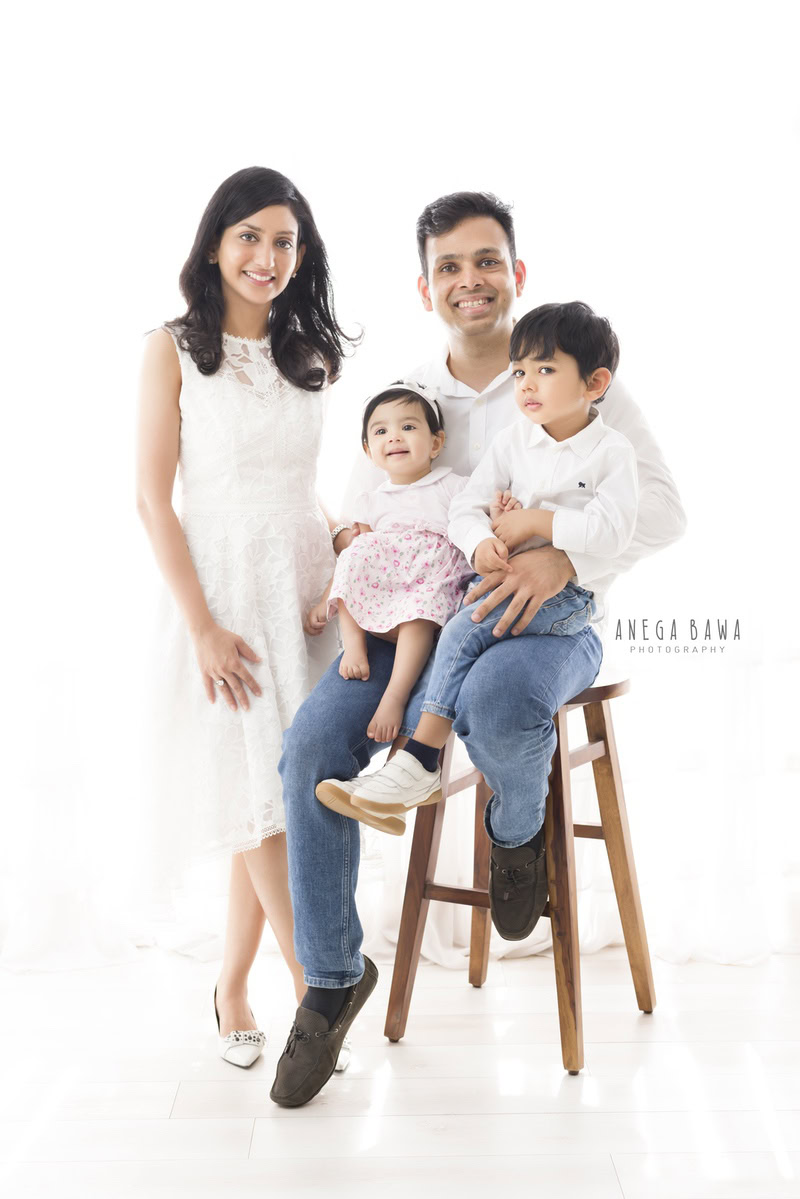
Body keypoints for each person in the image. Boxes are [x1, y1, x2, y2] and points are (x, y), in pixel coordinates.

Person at [269, 192, 686, 1108]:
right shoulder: (412, 390)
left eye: (486, 260)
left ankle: (515, 835)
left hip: (552, 623)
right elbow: (360, 516)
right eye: (450, 266)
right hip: (416, 624)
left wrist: (563, 553)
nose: (471, 280)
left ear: (516, 271)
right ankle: (333, 978)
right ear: (426, 286)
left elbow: (664, 510)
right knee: (309, 746)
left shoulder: (575, 373)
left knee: (501, 702)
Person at [136, 166, 356, 1069]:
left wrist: (348, 534)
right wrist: (200, 626)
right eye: (251, 237)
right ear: (216, 243)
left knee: (268, 794)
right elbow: (154, 499)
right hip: (223, 592)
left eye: (285, 242)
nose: (267, 257)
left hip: (301, 589)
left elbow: (300, 485)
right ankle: (316, 988)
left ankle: (229, 988)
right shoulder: (172, 347)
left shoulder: (309, 352)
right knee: (262, 802)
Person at [329, 303, 637, 872]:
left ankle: (420, 756)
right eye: (519, 372)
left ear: (594, 383)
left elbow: (613, 532)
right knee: (466, 624)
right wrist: (480, 544)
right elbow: (467, 505)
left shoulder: (613, 452)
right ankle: (420, 764)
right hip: (504, 581)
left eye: (545, 371)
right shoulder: (515, 442)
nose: (525, 385)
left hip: (567, 602)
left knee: (465, 625)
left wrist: (536, 525)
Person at [307, 382, 473, 751]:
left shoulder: (452, 486)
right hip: (386, 586)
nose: (394, 437)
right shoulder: (371, 501)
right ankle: (353, 647)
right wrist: (325, 600)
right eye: (381, 431)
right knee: (354, 552)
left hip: (427, 585)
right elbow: (352, 563)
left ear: (435, 442)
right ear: (369, 451)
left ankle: (395, 696)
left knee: (419, 612)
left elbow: (478, 520)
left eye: (409, 427)